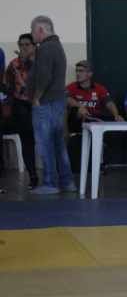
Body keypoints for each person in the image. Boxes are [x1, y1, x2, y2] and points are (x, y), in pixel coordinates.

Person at [28, 15, 76, 194]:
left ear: (41, 30)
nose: (32, 35)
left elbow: (44, 76)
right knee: (58, 143)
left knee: (45, 143)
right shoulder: (57, 46)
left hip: (46, 102)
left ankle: (50, 183)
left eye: (33, 31)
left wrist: (36, 97)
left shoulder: (46, 48)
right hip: (57, 102)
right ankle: (67, 182)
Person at [65, 60, 124, 173]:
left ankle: (102, 163)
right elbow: (67, 99)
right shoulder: (71, 87)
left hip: (95, 120)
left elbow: (109, 103)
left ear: (90, 74)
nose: (78, 73)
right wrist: (79, 106)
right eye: (77, 71)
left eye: (81, 71)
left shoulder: (99, 88)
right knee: (77, 112)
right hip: (78, 121)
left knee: (113, 124)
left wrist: (116, 115)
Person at [2, 33, 38, 189]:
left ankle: (53, 176)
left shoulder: (40, 63)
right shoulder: (13, 64)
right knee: (27, 138)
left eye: (27, 45)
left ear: (34, 46)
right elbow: (7, 86)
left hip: (40, 105)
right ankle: (33, 176)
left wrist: (28, 62)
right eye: (21, 45)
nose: (23, 48)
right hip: (21, 105)